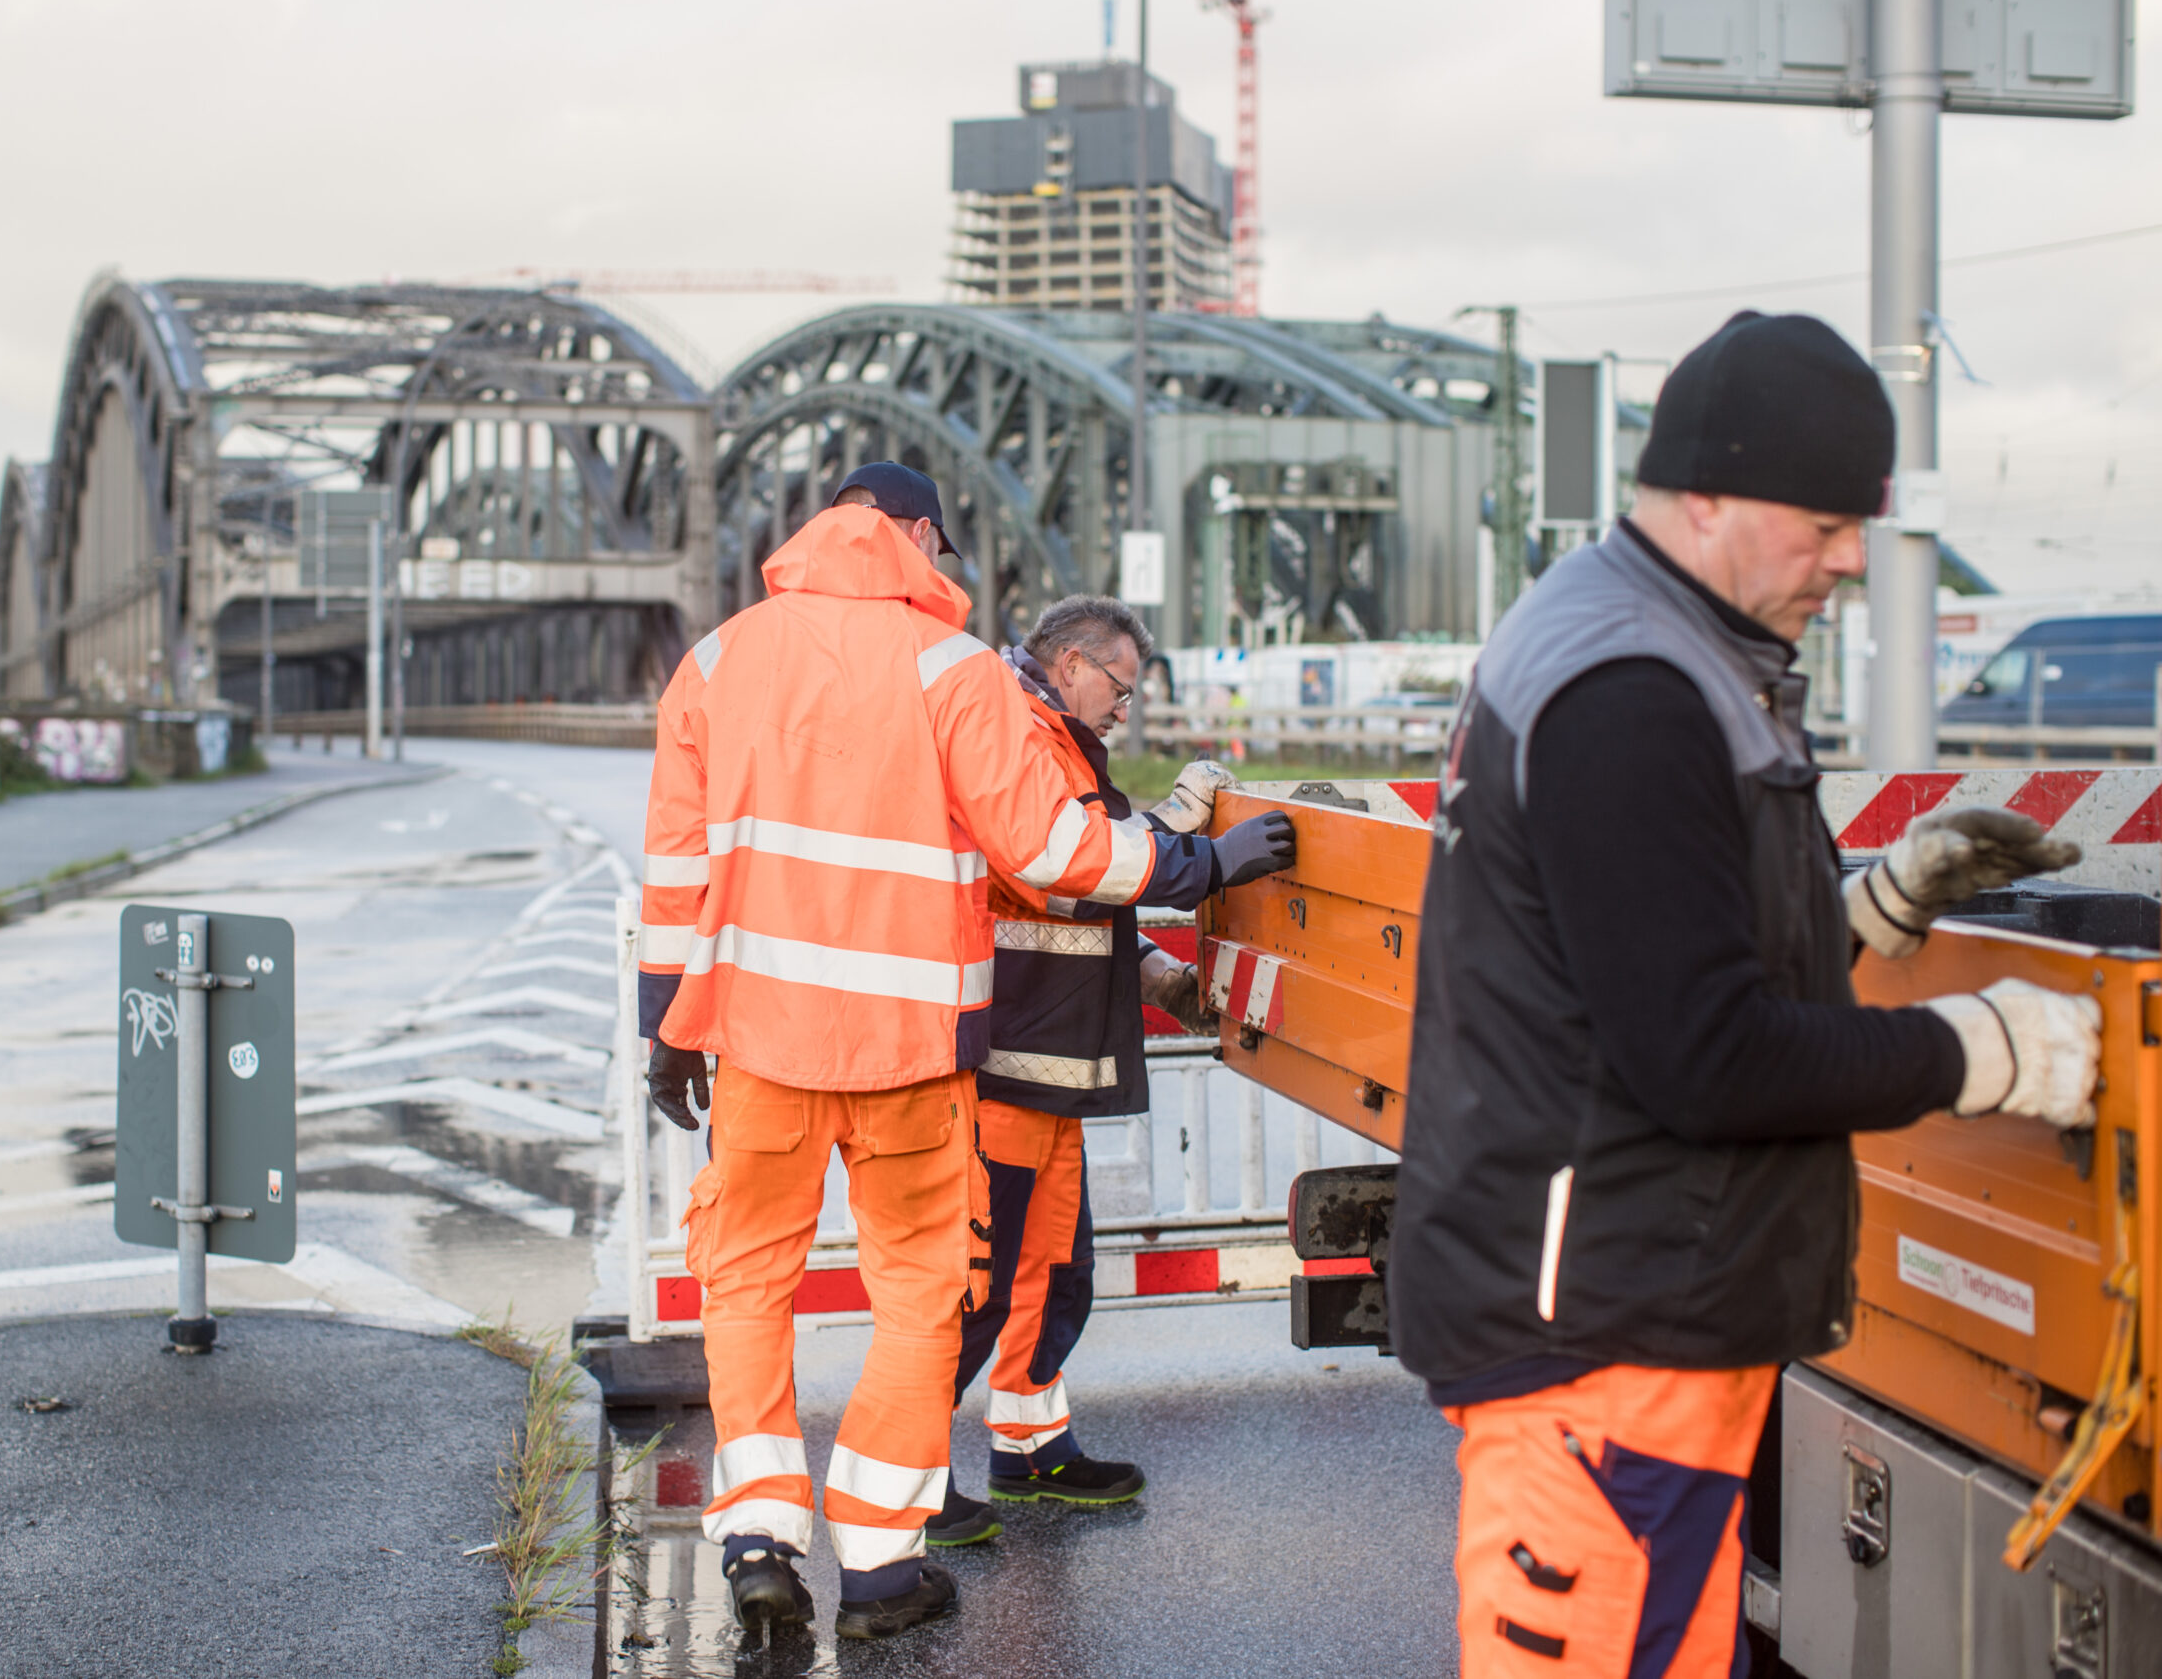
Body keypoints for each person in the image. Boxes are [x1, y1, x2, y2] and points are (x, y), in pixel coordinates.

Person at [1390, 311, 2101, 1676]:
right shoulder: (1636, 689)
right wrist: (1985, 1047)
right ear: (1704, 493)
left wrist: (1871, 911)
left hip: (1629, 1309)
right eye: (1826, 520)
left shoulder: (1656, 642)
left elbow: (1643, 958)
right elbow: (1701, 1053)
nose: (1851, 557)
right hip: (1605, 1335)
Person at [638, 463, 1296, 1642]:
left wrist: (661, 1025)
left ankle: (757, 1537)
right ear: (922, 537)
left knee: (745, 1289)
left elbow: (679, 866)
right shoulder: (951, 673)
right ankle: (883, 1573)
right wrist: (1204, 868)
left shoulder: (719, 660)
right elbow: (1055, 851)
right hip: (912, 1053)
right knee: (920, 1299)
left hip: (757, 1045)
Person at [925, 594, 1271, 1547]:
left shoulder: (1048, 733)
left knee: (1051, 1273)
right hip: (1015, 1061)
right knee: (980, 1283)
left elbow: (1085, 891)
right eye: (1119, 685)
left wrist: (1158, 975)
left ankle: (1030, 1448)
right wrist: (1203, 855)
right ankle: (908, 1479)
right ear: (1070, 662)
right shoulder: (1022, 735)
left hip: (1047, 1059)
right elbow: (1071, 869)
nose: (1125, 707)